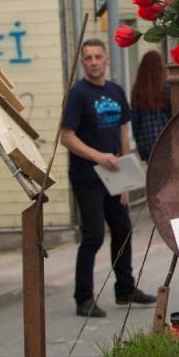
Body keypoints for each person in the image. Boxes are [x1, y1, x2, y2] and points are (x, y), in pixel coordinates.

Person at [61, 39, 156, 317]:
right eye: (88, 57)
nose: (93, 62)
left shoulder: (115, 91)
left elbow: (123, 132)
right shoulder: (78, 94)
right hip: (88, 177)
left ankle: (125, 290)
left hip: (115, 177)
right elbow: (67, 137)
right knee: (92, 236)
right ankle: (83, 298)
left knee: (123, 232)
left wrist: (125, 176)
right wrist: (97, 156)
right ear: (82, 63)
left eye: (98, 57)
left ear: (106, 60)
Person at [130, 50, 172, 162]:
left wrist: (139, 143)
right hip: (167, 141)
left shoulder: (137, 91)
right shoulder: (167, 87)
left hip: (147, 143)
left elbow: (135, 122)